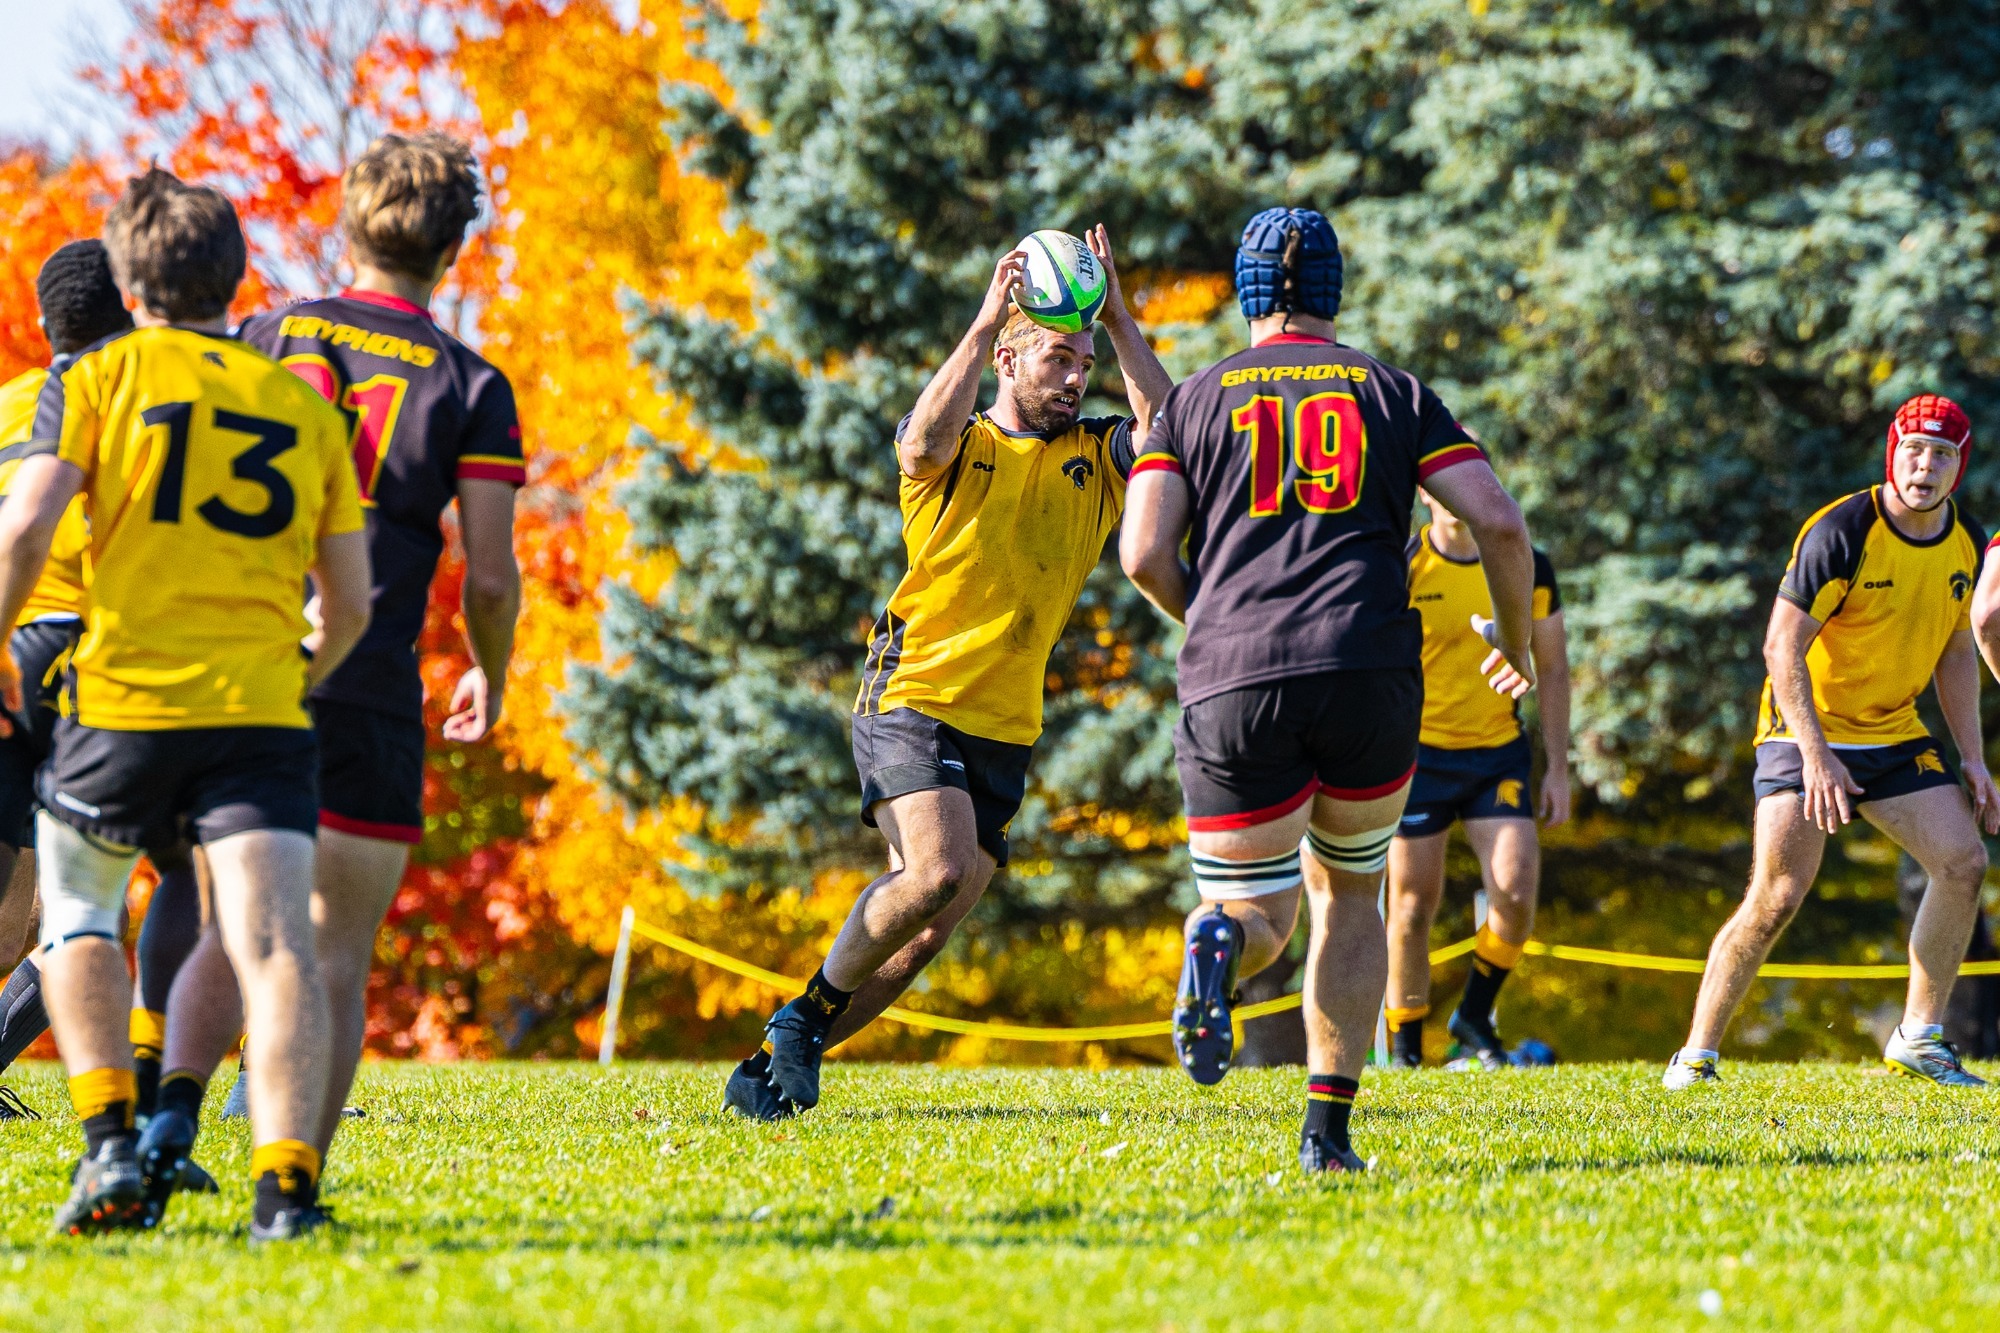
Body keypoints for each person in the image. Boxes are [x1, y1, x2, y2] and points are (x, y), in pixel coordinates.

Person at [724, 225, 1173, 1121]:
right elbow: (918, 445)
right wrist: (975, 328)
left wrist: (1117, 321)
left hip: (1006, 721)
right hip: (914, 690)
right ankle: (802, 1026)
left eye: (1081, 363)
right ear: (1008, 357)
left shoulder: (1099, 458)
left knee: (930, 923)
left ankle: (779, 1051)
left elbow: (1175, 429)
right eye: (1055, 359)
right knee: (932, 873)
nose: (1073, 377)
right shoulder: (959, 444)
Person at [1120, 207, 1536, 1172]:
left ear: (1247, 292)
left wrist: (1216, 619)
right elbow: (1500, 525)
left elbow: (1143, 552)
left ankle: (1216, 940)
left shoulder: (1194, 399)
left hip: (1233, 676)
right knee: (1353, 894)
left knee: (1259, 913)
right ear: (1334, 292)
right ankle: (1327, 1132)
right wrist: (1511, 640)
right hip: (1367, 670)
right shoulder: (1392, 391)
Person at [0, 168, 371, 1237]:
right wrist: (296, 675)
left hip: (120, 700)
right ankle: (286, 1191)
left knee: (74, 917)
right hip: (258, 708)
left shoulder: (99, 377)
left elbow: (28, 527)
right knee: (273, 943)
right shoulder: (302, 405)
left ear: (128, 276)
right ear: (235, 274)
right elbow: (348, 603)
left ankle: (111, 1148)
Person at [153, 131, 523, 1165]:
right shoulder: (471, 385)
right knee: (331, 953)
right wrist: (490, 674)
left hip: (248, 659)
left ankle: (171, 1113)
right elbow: (490, 578)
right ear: (454, 249)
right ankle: (291, 1183)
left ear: (346, 223)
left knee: (232, 918)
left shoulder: (266, 334)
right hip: (367, 678)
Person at [1665, 395, 1996, 1090]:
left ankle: (1918, 1035)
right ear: (1892, 453)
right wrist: (1815, 755)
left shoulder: (1965, 539)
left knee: (1963, 862)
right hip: (1802, 727)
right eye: (1913, 450)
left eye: (1942, 455)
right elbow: (1780, 644)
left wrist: (1972, 756)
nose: (1925, 466)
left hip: (1893, 730)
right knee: (1779, 895)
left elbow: (1957, 648)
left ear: (1959, 465)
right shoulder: (1842, 530)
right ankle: (1695, 1055)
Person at [0, 241, 132, 1121]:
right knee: (85, 902)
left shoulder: (10, 402)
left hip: (7, 645)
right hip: (88, 649)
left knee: (12, 890)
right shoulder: (131, 396)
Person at [1385, 488, 1571, 1069]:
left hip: (1496, 754)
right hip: (1418, 757)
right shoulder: (1406, 561)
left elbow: (1554, 666)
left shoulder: (1525, 562)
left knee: (1514, 894)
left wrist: (1559, 768)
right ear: (1422, 493)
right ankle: (1407, 1051)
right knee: (1413, 907)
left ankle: (1472, 1014)